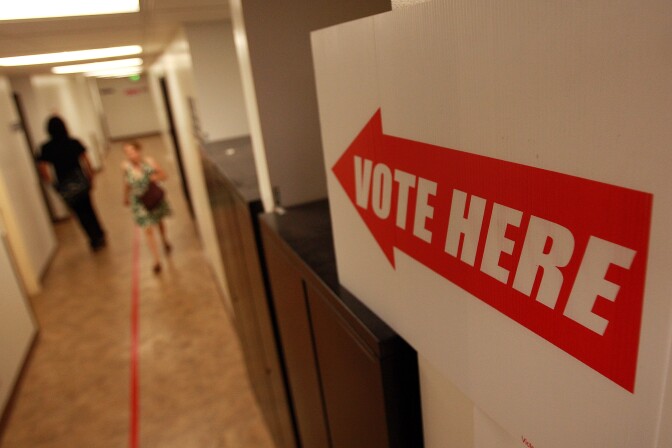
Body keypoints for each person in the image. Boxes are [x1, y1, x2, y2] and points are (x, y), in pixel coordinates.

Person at [37, 115, 106, 251]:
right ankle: (99, 233)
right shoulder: (73, 142)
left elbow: (43, 168)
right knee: (89, 208)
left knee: (79, 213)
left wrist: (52, 183)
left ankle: (93, 238)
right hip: (79, 179)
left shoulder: (46, 147)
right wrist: (90, 176)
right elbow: (86, 160)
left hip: (64, 183)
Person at [122, 141, 172, 274]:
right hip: (139, 202)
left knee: (159, 221)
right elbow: (127, 183)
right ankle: (156, 260)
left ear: (138, 151)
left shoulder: (149, 162)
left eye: (132, 151)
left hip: (153, 197)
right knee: (147, 228)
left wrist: (153, 178)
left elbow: (164, 175)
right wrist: (125, 197)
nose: (130, 155)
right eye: (127, 153)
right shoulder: (126, 167)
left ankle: (164, 240)